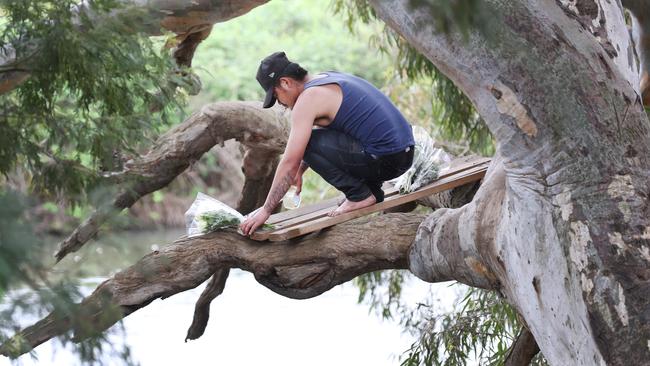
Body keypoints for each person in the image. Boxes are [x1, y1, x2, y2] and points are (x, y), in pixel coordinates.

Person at [239, 51, 415, 236]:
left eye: (275, 96)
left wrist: (266, 210)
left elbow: (289, 161)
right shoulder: (327, 78)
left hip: (386, 159)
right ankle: (371, 192)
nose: (279, 104)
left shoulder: (308, 100)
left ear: (285, 82)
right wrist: (301, 169)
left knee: (307, 145)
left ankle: (359, 195)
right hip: (404, 154)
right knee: (316, 139)